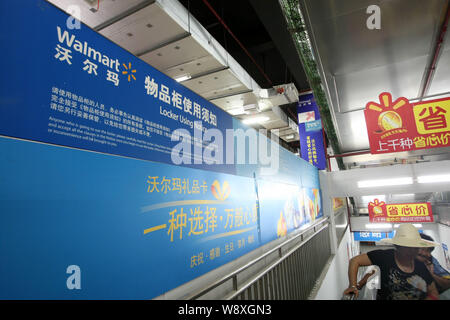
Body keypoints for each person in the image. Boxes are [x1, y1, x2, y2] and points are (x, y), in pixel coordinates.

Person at [343, 224, 440, 300]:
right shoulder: (384, 257)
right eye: (408, 247)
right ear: (398, 246)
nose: (412, 251)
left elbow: (433, 292)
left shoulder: (420, 265)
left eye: (415, 247)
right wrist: (353, 286)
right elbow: (355, 261)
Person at [416, 233, 450, 299]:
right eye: (425, 250)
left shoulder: (430, 261)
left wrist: (431, 275)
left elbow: (448, 283)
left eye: (429, 251)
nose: (428, 254)